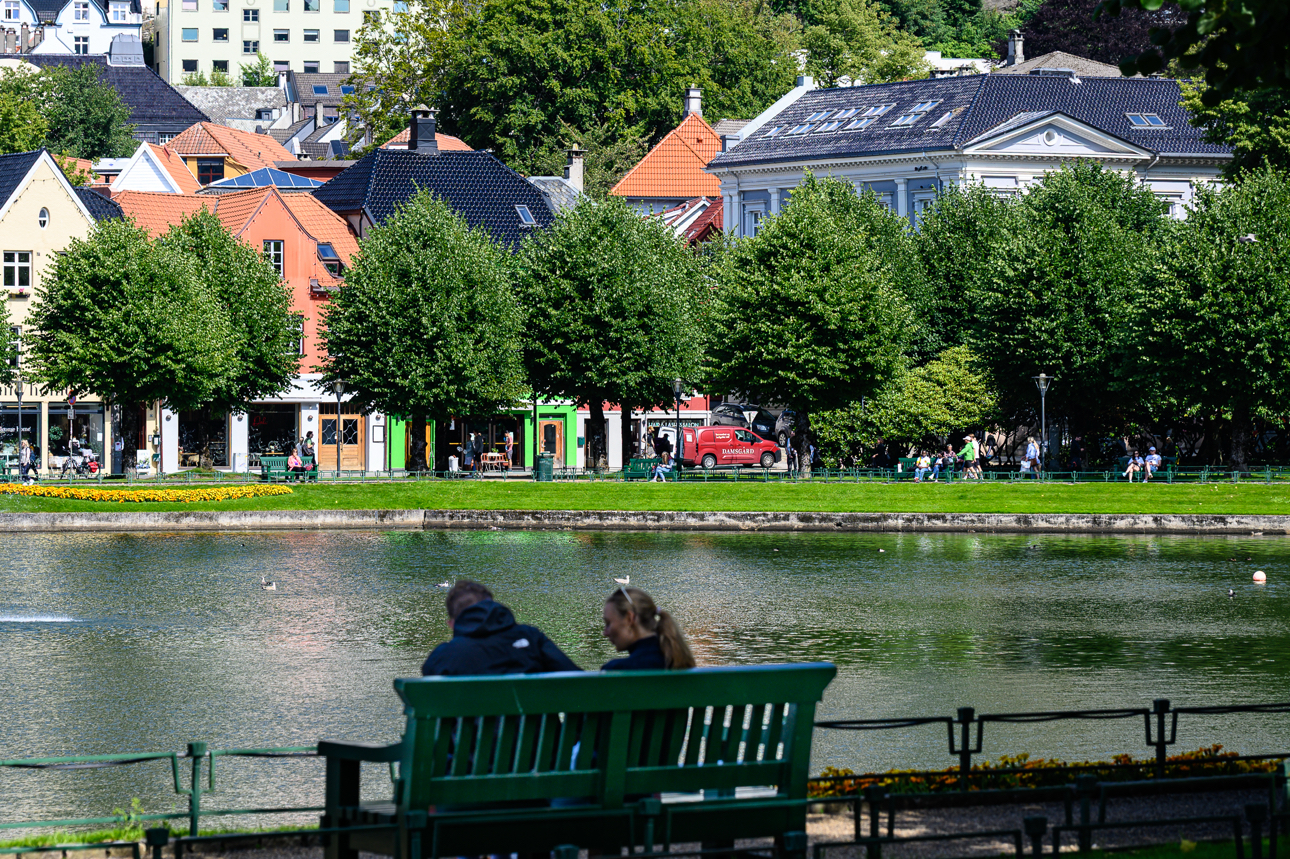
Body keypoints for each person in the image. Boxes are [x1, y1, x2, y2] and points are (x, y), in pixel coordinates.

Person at [421, 580, 581, 676]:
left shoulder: (442, 657)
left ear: (452, 623)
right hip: (536, 732)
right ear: (493, 607)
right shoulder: (532, 638)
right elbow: (579, 680)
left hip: (474, 733)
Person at [602, 586, 695, 670]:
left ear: (630, 619)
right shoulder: (680, 664)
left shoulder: (616, 670)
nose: (605, 633)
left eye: (608, 623)